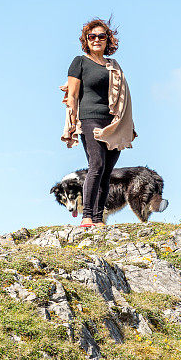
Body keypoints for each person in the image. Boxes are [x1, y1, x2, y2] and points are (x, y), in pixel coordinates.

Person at [61, 17, 136, 228]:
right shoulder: (80, 62)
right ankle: (86, 217)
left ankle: (97, 218)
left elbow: (123, 97)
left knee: (107, 171)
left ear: (107, 40)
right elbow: (73, 95)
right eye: (91, 36)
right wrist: (72, 122)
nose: (96, 40)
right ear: (86, 40)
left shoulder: (113, 66)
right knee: (97, 164)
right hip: (89, 118)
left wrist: (126, 123)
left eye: (101, 36)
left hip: (113, 123)